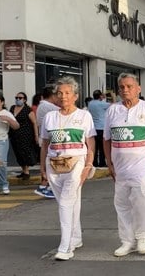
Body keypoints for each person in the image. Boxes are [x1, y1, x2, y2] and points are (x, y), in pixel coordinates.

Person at [103, 73, 145, 257]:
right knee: (122, 204)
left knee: (142, 200)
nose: (125, 90)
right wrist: (109, 162)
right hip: (120, 168)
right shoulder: (112, 110)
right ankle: (127, 241)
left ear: (138, 88)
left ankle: (143, 236)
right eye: (121, 87)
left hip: (141, 167)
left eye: (129, 86)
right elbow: (106, 139)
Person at [40, 77, 96, 261]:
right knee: (71, 202)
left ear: (75, 96)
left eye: (67, 93)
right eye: (59, 93)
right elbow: (45, 144)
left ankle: (65, 246)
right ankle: (76, 237)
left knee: (66, 202)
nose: (63, 96)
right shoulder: (50, 117)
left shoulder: (84, 116)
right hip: (54, 164)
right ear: (55, 96)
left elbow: (90, 142)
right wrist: (42, 169)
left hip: (77, 163)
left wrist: (88, 164)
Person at [35, 85, 61, 198]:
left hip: (45, 136)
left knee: (47, 161)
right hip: (50, 138)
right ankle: (49, 186)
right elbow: (64, 111)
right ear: (52, 95)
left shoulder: (41, 105)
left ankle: (44, 185)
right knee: (51, 162)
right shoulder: (49, 107)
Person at [8, 92, 40, 183]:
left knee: (24, 152)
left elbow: (34, 123)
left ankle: (26, 171)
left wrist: (36, 136)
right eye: (16, 97)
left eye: (20, 98)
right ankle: (23, 170)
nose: (18, 99)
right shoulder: (12, 108)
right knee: (17, 152)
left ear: (24, 100)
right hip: (14, 134)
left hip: (25, 135)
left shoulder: (27, 110)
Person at [0, 94, 20, 195]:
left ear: (2, 102)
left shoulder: (6, 113)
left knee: (0, 162)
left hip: (1, 140)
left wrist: (8, 119)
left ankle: (4, 184)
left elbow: (16, 126)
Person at [88, 90, 110, 167]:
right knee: (102, 147)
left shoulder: (90, 103)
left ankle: (94, 163)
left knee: (95, 147)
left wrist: (102, 98)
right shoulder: (102, 104)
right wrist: (112, 97)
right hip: (101, 127)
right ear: (100, 96)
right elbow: (113, 105)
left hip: (93, 128)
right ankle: (102, 162)